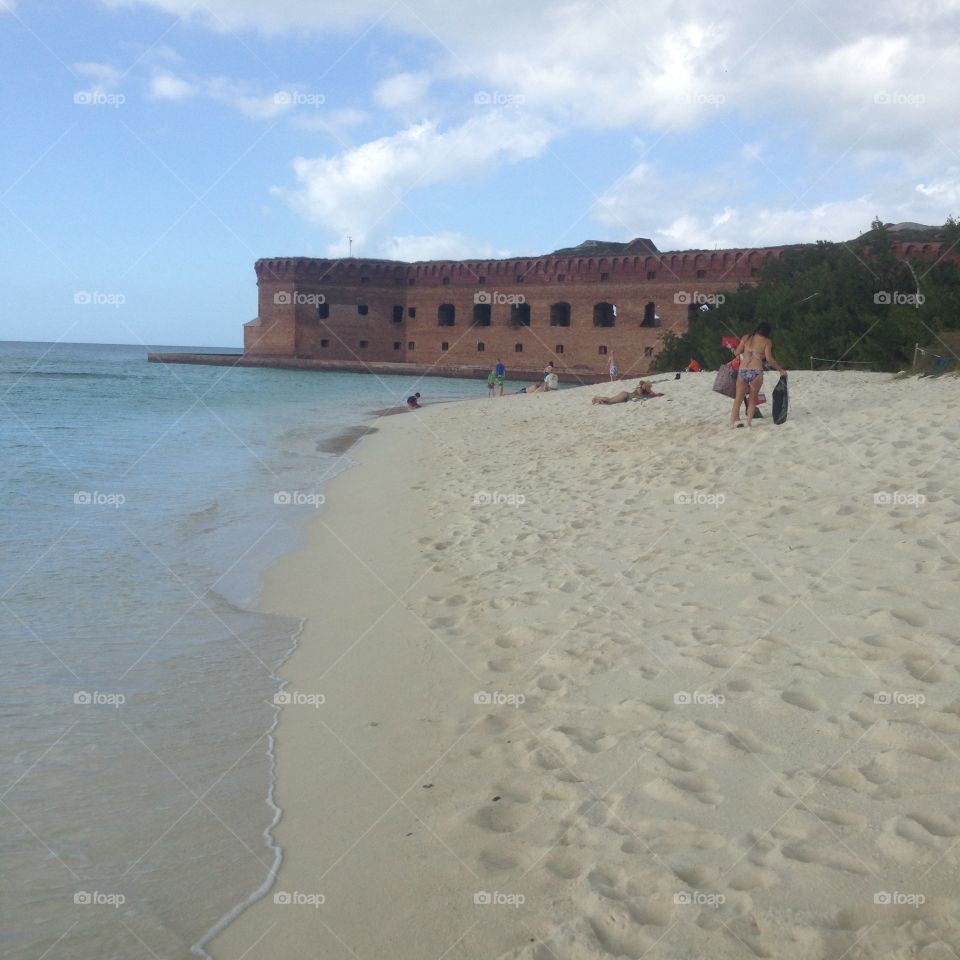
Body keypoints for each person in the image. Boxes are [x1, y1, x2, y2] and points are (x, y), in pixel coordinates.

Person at [729, 323, 785, 428]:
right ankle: (748, 422)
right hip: (756, 371)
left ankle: (732, 423)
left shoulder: (746, 337)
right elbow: (769, 359)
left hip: (743, 370)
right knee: (752, 399)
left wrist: (732, 349)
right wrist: (780, 369)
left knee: (738, 399)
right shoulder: (767, 341)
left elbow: (737, 353)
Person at [592, 381, 663, 404]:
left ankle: (599, 400)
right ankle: (597, 398)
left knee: (610, 401)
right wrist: (652, 396)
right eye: (648, 388)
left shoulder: (645, 390)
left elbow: (651, 393)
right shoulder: (639, 390)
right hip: (625, 396)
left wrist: (656, 395)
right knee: (610, 401)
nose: (650, 389)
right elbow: (641, 397)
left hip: (626, 396)